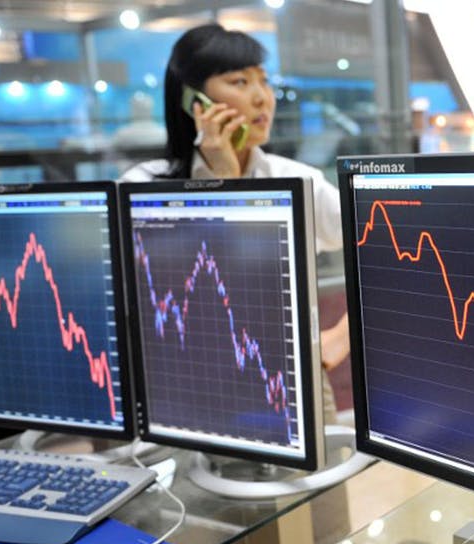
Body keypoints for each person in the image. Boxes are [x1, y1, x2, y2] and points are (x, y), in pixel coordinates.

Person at [122, 23, 350, 423]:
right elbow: (199, 291)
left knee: (319, 486)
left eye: (264, 80)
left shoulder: (300, 181)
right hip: (189, 387)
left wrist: (341, 336)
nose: (262, 97)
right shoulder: (141, 188)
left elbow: (388, 247)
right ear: (194, 100)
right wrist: (224, 184)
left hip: (288, 382)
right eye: (239, 81)